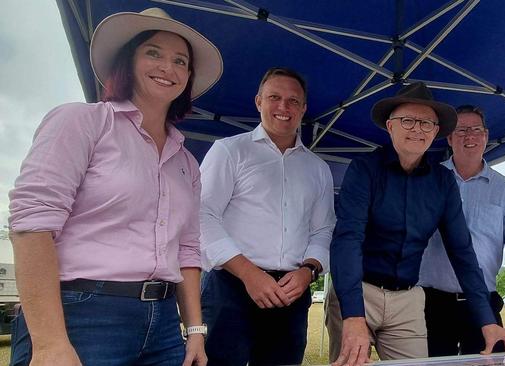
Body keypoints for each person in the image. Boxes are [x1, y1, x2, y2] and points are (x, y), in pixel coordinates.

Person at [8, 7, 223, 366]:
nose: (167, 68)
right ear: (127, 61)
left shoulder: (186, 162)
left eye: (180, 61)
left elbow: (187, 250)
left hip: (164, 322)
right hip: (83, 314)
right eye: (153, 53)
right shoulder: (83, 121)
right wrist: (49, 345)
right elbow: (32, 226)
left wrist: (196, 332)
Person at [326, 83, 505, 366]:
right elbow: (347, 239)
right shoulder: (364, 169)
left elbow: (462, 252)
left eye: (427, 123)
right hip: (360, 290)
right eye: (408, 120)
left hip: (408, 298)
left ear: (435, 132)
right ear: (390, 125)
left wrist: (487, 320)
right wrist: (353, 315)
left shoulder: (442, 182)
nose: (417, 129)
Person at [199, 67, 336, 365]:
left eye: (293, 100)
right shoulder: (229, 151)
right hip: (231, 285)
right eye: (275, 97)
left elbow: (323, 230)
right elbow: (202, 216)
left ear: (304, 109)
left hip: (291, 291)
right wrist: (249, 273)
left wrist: (308, 271)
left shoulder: (318, 168)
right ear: (258, 101)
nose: (283, 107)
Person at [418, 105, 505, 356]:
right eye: (461, 130)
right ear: (449, 138)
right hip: (431, 304)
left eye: (475, 130)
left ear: (486, 135)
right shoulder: (428, 180)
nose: (469, 136)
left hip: (483, 302)